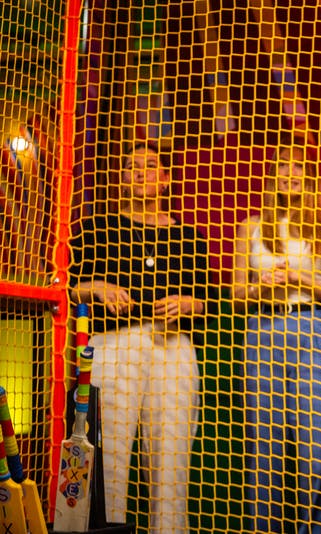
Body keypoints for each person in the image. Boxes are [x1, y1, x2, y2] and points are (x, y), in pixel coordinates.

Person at [69, 142, 210, 533]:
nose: (141, 173)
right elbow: (66, 287)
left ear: (165, 179)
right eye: (132, 167)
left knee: (171, 455)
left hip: (172, 348)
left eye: (151, 166)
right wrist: (96, 286)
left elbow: (209, 301)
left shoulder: (189, 237)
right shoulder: (98, 227)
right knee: (109, 454)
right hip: (114, 347)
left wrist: (188, 303)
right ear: (121, 179)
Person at [231, 135, 321, 533]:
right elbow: (237, 294)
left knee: (316, 447)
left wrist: (296, 277)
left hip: (314, 329)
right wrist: (263, 286)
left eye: (298, 166)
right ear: (272, 175)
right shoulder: (251, 227)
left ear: (309, 176)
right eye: (283, 165)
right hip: (263, 330)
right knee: (264, 446)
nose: (290, 173)